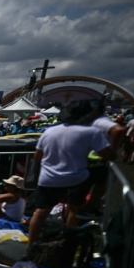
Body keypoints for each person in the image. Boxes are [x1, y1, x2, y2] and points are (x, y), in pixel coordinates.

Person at [28, 99, 116, 245]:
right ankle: (66, 242)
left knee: (40, 212)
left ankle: (31, 246)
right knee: (75, 208)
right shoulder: (91, 132)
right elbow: (107, 155)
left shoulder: (49, 131)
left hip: (48, 178)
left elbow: (37, 156)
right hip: (77, 178)